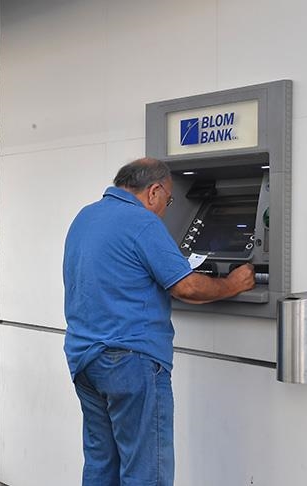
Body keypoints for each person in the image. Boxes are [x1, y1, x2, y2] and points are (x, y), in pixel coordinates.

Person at [62, 157, 255, 486]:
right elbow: (187, 287)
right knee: (146, 472)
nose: (166, 209)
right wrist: (233, 284)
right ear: (153, 191)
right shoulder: (142, 222)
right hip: (130, 361)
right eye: (168, 199)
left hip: (85, 360)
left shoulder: (85, 216)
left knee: (101, 464)